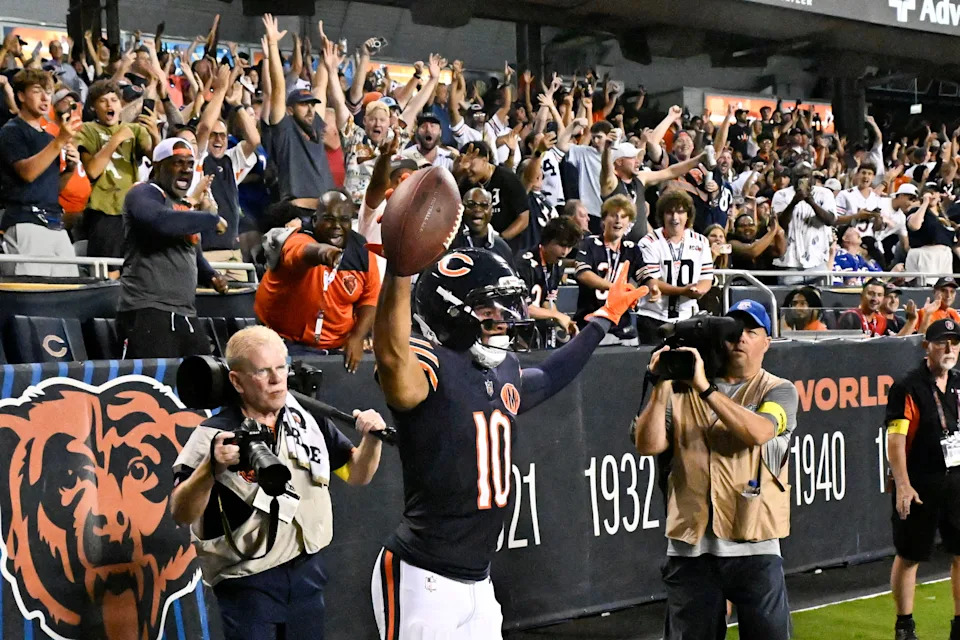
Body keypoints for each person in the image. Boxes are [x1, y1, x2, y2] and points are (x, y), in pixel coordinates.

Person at [370, 247, 647, 639]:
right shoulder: (428, 363)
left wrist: (603, 319)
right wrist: (398, 273)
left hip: (479, 582)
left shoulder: (501, 371)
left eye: (503, 307)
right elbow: (392, 355)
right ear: (449, 311)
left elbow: (552, 375)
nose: (502, 319)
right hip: (424, 576)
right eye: (488, 309)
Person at [171, 325, 387, 640]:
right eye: (262, 372)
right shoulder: (213, 435)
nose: (276, 380)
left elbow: (356, 474)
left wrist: (371, 441)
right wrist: (210, 468)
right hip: (248, 582)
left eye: (281, 368)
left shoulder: (308, 420)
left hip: (307, 574)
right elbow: (180, 512)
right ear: (237, 381)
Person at [633, 299, 798, 640]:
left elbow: (759, 432)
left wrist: (704, 388)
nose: (740, 339)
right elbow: (647, 445)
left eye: (751, 332)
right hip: (691, 546)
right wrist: (662, 384)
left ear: (768, 341)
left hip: (755, 541)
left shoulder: (779, 390)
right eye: (733, 332)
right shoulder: (680, 389)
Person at [117, 138, 230, 358]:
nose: (186, 170)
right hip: (147, 309)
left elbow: (190, 249)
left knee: (201, 380)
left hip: (185, 311)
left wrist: (210, 275)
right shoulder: (143, 193)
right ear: (158, 166)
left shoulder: (183, 207)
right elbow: (161, 222)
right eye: (178, 163)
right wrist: (209, 218)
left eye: (190, 164)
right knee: (155, 383)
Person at [885, 319, 960, 640]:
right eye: (942, 342)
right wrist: (902, 483)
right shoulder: (908, 386)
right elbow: (896, 439)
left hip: (956, 480)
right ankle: (905, 625)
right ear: (926, 346)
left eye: (954, 343)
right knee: (911, 554)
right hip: (920, 482)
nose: (949, 349)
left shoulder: (958, 383)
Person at [254, 190, 380, 373]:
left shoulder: (362, 251)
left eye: (343, 219)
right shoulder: (297, 239)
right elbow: (302, 253)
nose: (336, 226)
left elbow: (370, 297)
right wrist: (327, 253)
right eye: (328, 218)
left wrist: (357, 336)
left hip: (336, 346)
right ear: (314, 220)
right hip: (283, 340)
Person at [0, 68, 82, 276]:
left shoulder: (48, 138)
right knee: (33, 291)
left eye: (48, 91)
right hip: (26, 221)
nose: (46, 97)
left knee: (68, 290)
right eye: (37, 91)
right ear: (20, 96)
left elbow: (52, 187)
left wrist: (70, 169)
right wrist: (60, 141)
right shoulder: (11, 130)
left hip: (55, 223)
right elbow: (27, 173)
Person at [75, 79, 157, 272]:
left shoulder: (136, 130)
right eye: (103, 101)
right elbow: (93, 170)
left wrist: (155, 136)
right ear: (94, 107)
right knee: (107, 271)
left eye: (114, 100)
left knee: (133, 268)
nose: (109, 105)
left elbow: (157, 163)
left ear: (121, 104)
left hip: (132, 210)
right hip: (104, 211)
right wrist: (115, 140)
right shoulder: (87, 130)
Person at [635, 190, 714, 344]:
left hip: (688, 317)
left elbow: (706, 278)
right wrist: (684, 291)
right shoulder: (648, 242)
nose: (675, 217)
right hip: (654, 317)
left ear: (688, 216)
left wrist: (700, 290)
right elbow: (652, 282)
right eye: (669, 212)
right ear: (662, 216)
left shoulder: (701, 241)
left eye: (680, 212)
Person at [574, 194, 643, 341]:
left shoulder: (632, 249)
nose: (618, 220)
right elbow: (583, 273)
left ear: (629, 222)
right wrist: (614, 288)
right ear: (604, 219)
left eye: (624, 216)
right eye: (613, 215)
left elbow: (647, 278)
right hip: (590, 321)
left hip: (620, 324)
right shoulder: (589, 244)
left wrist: (654, 288)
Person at [515, 216, 583, 343]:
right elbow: (523, 308)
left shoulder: (557, 265)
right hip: (518, 333)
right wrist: (556, 316)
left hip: (540, 333)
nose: (565, 252)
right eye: (562, 245)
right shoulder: (523, 263)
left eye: (569, 247)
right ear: (547, 241)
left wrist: (564, 321)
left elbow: (548, 301)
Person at [457, 140, 530, 252]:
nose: (468, 170)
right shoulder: (466, 183)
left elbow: (523, 219)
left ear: (485, 159)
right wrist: (457, 173)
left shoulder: (507, 179)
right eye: (465, 165)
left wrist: (498, 240)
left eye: (471, 164)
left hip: (507, 248)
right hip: (474, 247)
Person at [771, 163, 837, 284]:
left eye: (806, 176)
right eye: (799, 177)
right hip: (789, 262)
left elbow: (830, 220)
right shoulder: (781, 195)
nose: (802, 180)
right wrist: (793, 202)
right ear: (793, 178)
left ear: (812, 177)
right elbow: (780, 224)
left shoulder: (825, 193)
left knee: (819, 300)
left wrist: (811, 202)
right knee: (790, 301)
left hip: (817, 260)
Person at [448, 187, 515, 267]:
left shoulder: (502, 248)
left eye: (484, 205)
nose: (477, 209)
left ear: (491, 211)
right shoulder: (450, 243)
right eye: (471, 204)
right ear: (462, 209)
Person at [836, 278, 911, 337]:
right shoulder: (851, 317)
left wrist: (912, 320)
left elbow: (896, 345)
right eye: (871, 294)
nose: (875, 299)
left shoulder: (881, 321)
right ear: (861, 296)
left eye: (879, 295)